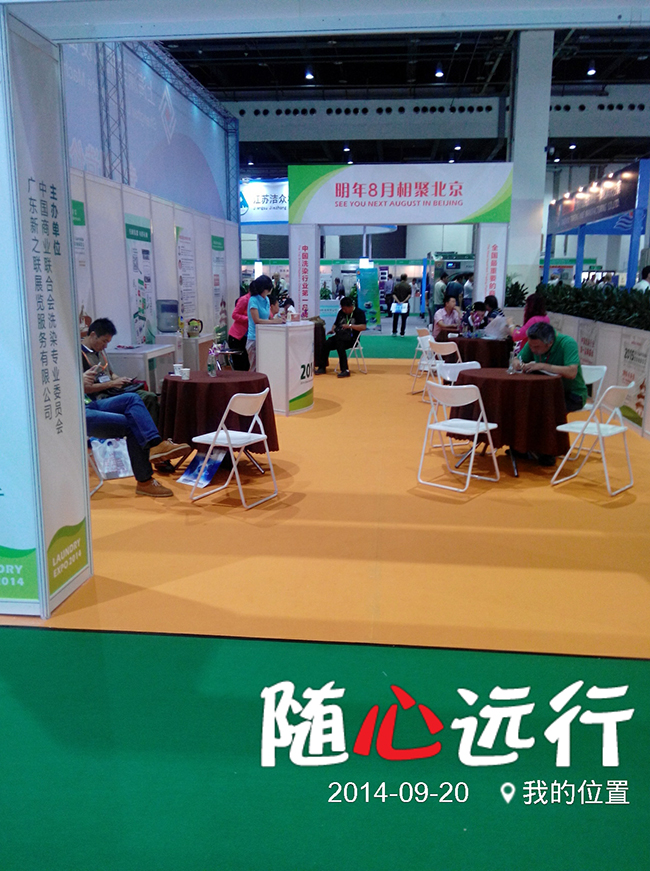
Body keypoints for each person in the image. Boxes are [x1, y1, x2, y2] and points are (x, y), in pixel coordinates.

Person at [84, 367, 190, 497]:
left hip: (88, 403)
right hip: (76, 412)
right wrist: (79, 382)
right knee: (134, 422)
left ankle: (155, 445)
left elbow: (106, 376)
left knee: (133, 398)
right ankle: (145, 481)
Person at [81, 318, 159, 425]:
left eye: (108, 342)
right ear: (93, 335)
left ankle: (151, 433)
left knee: (150, 397)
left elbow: (110, 373)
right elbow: (87, 389)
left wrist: (119, 379)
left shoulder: (100, 351)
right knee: (136, 398)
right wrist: (111, 384)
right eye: (104, 341)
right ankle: (147, 434)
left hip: (112, 390)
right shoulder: (80, 356)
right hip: (99, 397)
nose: (105, 346)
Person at [517, 322, 587, 413]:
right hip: (547, 392)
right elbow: (517, 359)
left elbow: (572, 372)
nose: (533, 350)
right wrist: (518, 364)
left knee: (544, 410)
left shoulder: (568, 343)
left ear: (550, 343)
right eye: (530, 346)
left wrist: (543, 366)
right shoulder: (534, 341)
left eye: (537, 347)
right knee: (520, 403)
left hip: (572, 394)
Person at [315, 296, 367, 378]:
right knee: (326, 343)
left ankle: (345, 370)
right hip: (339, 336)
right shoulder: (341, 312)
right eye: (342, 308)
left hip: (352, 339)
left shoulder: (359, 313)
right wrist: (333, 329)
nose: (344, 311)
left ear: (351, 307)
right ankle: (322, 367)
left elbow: (363, 327)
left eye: (345, 309)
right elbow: (336, 324)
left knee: (340, 344)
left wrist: (350, 326)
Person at [246, 275, 281, 371]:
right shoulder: (253, 300)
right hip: (254, 339)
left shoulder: (267, 299)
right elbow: (257, 320)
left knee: (264, 367)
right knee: (255, 368)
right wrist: (274, 322)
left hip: (265, 338)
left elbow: (269, 317)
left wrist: (278, 321)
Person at [228, 286, 251, 371]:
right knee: (240, 364)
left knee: (247, 364)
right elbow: (234, 315)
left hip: (247, 336)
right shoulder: (244, 299)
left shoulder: (258, 300)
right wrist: (248, 318)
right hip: (237, 337)